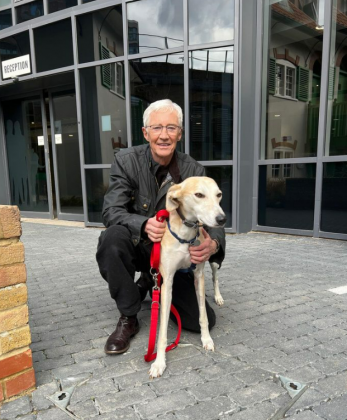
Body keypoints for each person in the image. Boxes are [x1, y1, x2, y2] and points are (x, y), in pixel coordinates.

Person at [96, 99, 226, 355]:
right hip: (139, 247)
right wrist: (143, 224)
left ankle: (149, 281)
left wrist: (214, 243)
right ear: (146, 133)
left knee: (203, 321)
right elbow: (111, 211)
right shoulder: (126, 161)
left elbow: (212, 215)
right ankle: (129, 314)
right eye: (157, 128)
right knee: (111, 239)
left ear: (180, 132)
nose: (164, 135)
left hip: (175, 253)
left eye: (171, 128)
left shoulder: (193, 169)